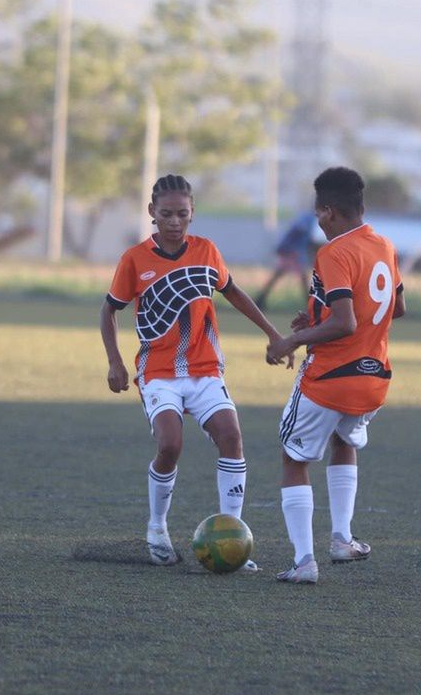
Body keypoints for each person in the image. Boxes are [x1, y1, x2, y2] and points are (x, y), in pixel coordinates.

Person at [100, 174, 293, 570]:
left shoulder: (206, 251)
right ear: (152, 213)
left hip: (205, 371)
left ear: (192, 214)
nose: (174, 221)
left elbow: (234, 292)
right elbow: (109, 310)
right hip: (158, 372)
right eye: (166, 214)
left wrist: (273, 333)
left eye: (182, 214)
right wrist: (115, 361)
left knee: (231, 436)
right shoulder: (134, 259)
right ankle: (156, 528)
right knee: (170, 444)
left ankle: (233, 535)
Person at [267, 167, 406, 584]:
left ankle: (303, 561)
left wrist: (294, 341)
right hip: (374, 377)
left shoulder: (333, 252)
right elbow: (394, 309)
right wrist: (315, 316)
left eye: (317, 212)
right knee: (344, 440)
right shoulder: (383, 245)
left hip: (331, 376)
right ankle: (342, 539)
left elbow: (344, 323)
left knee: (294, 458)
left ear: (328, 212)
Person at [253, 211, 316, 310]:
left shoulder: (311, 218)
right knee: (301, 278)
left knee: (279, 276)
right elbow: (297, 231)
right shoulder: (308, 218)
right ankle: (311, 306)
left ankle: (259, 301)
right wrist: (286, 248)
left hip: (293, 252)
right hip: (292, 252)